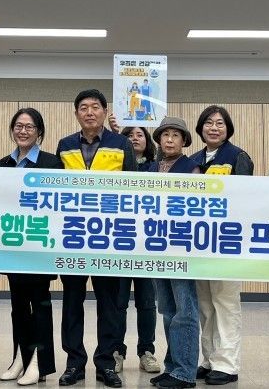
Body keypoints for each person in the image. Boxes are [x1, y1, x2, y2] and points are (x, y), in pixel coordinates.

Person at [56, 89, 136, 388]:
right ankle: (74, 363)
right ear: (76, 113)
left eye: (95, 107)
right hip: (74, 236)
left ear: (105, 111)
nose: (89, 112)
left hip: (110, 237)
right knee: (71, 302)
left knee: (109, 304)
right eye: (83, 108)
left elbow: (134, 188)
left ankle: (106, 363)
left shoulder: (121, 144)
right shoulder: (65, 145)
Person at [188, 105, 253, 385]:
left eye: (220, 124)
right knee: (205, 305)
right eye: (209, 123)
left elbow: (245, 199)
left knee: (225, 304)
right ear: (200, 128)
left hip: (227, 242)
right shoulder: (192, 160)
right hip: (199, 244)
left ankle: (227, 364)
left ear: (228, 129)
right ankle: (209, 359)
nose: (214, 128)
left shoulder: (238, 157)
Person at [0, 108, 62, 386]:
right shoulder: (3, 165)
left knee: (40, 305)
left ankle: (39, 362)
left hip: (39, 246)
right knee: (18, 306)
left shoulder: (52, 163)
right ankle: (20, 358)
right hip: (13, 245)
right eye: (18, 126)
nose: (23, 131)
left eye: (29, 127)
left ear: (39, 132)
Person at [147, 117, 201, 389]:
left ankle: (185, 371)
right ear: (158, 139)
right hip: (157, 246)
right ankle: (172, 366)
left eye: (175, 135)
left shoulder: (192, 168)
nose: (169, 139)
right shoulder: (151, 168)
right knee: (168, 309)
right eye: (165, 134)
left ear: (184, 141)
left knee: (185, 310)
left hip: (181, 247)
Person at [112, 126, 160, 374]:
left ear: (148, 141)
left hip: (147, 246)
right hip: (120, 243)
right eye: (128, 136)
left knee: (147, 303)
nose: (134, 139)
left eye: (139, 135)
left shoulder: (157, 167)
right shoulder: (116, 168)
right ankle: (116, 351)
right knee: (118, 302)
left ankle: (146, 351)